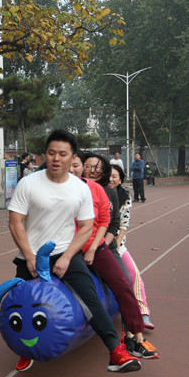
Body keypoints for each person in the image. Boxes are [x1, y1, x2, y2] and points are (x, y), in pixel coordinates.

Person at [7, 129, 140, 373]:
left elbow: (87, 226)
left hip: (65, 253)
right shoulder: (28, 184)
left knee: (90, 299)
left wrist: (68, 257)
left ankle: (115, 349)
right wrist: (29, 257)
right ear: (44, 156)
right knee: (20, 303)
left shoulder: (80, 188)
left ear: (72, 157)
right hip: (30, 255)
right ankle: (25, 350)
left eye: (62, 154)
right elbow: (15, 222)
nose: (56, 159)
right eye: (51, 153)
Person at [76, 153, 158, 359]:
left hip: (105, 246)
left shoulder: (109, 193)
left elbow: (111, 223)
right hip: (77, 248)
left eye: (98, 167)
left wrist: (100, 245)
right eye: (89, 166)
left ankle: (135, 338)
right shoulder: (72, 189)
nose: (93, 170)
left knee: (124, 284)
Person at [109, 164, 155, 329]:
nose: (111, 179)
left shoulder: (124, 197)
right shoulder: (97, 193)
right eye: (108, 175)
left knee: (134, 276)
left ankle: (143, 313)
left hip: (116, 245)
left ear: (120, 179)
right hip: (96, 244)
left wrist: (116, 245)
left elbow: (123, 224)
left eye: (114, 176)